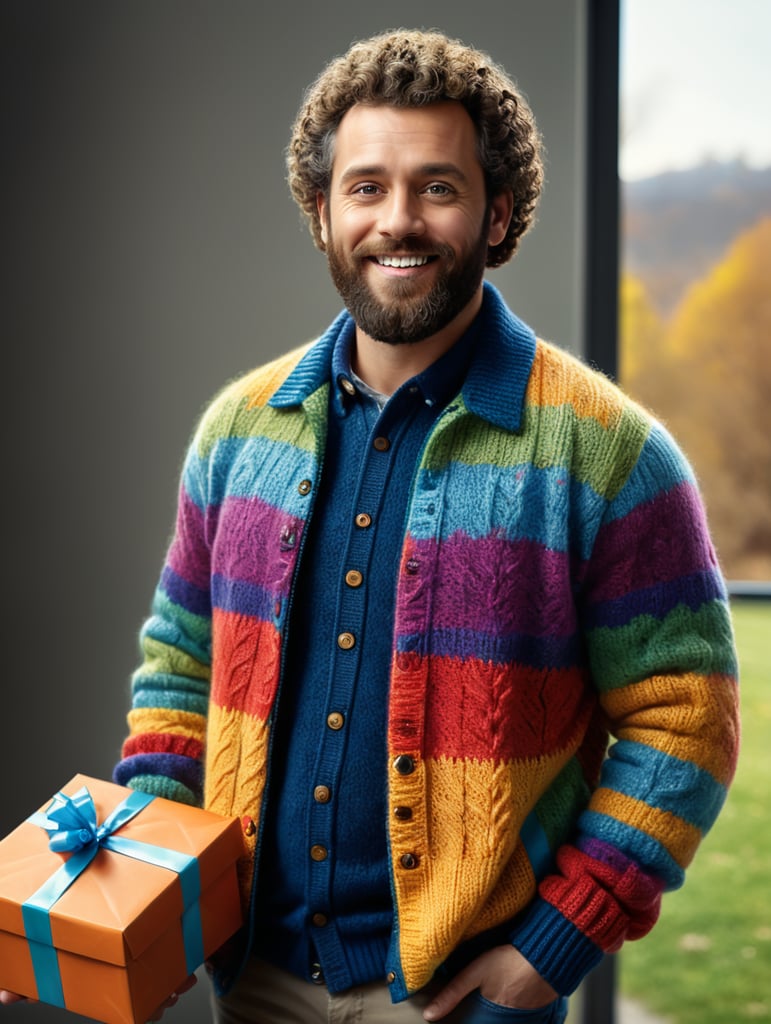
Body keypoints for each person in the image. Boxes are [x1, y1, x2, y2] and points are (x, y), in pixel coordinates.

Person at [3, 28, 740, 1024]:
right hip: (254, 977)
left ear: (498, 212)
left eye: (438, 186)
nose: (398, 220)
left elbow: (686, 719)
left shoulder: (608, 454)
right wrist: (146, 884)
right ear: (322, 211)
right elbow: (181, 668)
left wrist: (553, 943)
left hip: (466, 996)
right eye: (365, 187)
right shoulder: (236, 433)